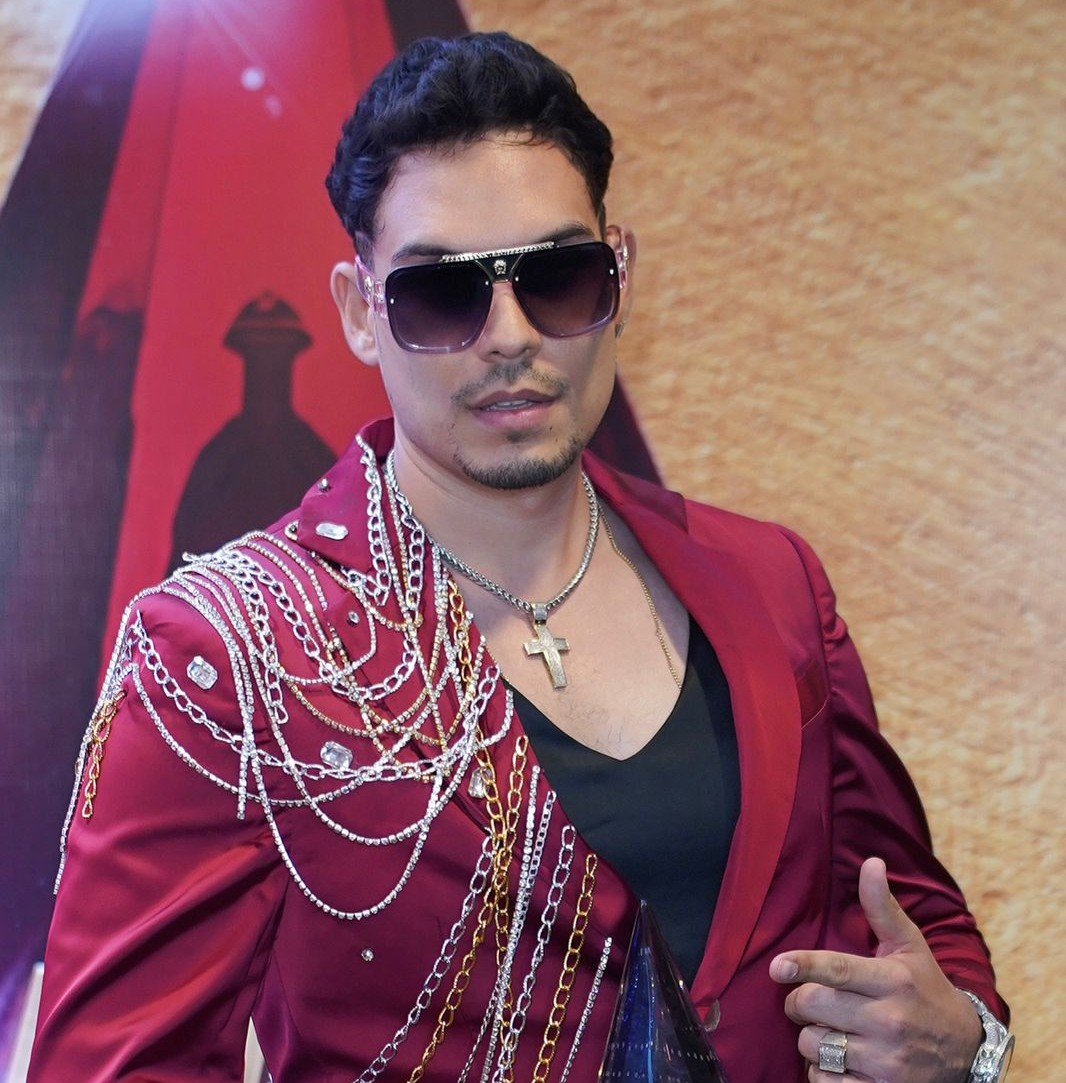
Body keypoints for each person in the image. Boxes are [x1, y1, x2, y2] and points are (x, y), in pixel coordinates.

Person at [29, 31, 1012, 1083]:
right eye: (441, 293)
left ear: (619, 273)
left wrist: (969, 1042)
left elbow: (921, 929)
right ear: (360, 312)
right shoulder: (225, 652)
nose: (509, 336)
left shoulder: (770, 582)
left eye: (556, 276)